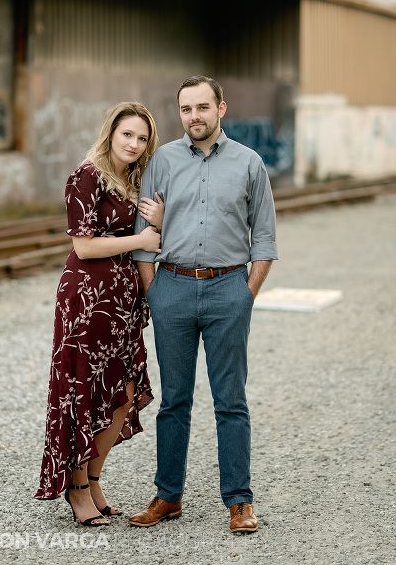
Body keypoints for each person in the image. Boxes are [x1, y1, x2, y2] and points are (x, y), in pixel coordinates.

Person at [129, 76, 278, 533]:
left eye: (203, 107)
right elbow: (144, 236)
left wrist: (243, 296)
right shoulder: (163, 160)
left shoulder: (250, 163)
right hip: (171, 287)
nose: (195, 116)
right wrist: (154, 290)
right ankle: (167, 496)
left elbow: (265, 240)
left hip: (227, 290)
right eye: (186, 109)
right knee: (174, 400)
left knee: (230, 401)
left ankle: (238, 501)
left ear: (221, 108)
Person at [35, 102, 164, 527]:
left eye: (142, 138)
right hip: (88, 300)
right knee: (84, 393)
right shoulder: (86, 175)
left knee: (123, 398)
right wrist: (140, 238)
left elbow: (151, 235)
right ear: (111, 133)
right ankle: (76, 489)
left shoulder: (134, 180)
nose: (134, 143)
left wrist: (156, 224)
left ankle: (92, 479)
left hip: (123, 305)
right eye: (127, 134)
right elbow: (84, 246)